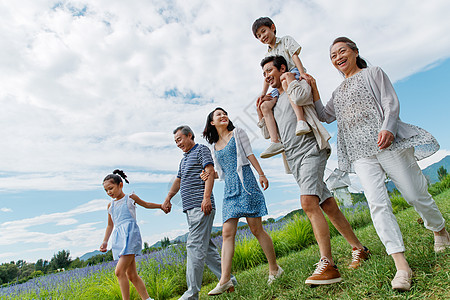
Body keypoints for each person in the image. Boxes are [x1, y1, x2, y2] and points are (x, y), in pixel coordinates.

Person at [308, 36, 450, 291]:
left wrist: (388, 128)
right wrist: (315, 89)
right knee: (377, 204)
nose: (338, 58)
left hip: (387, 143)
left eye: (342, 52)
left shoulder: (373, 73)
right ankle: (401, 265)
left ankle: (439, 229)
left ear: (354, 52)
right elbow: (323, 115)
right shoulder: (337, 92)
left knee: (415, 194)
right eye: (333, 56)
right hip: (361, 153)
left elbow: (390, 102)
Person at [256, 55, 370, 285]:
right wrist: (261, 109)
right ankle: (359, 248)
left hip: (311, 149)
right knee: (326, 204)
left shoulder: (296, 83)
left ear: (282, 68)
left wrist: (290, 79)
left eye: (271, 70)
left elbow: (301, 97)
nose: (268, 76)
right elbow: (268, 135)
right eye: (264, 74)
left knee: (308, 202)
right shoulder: (275, 101)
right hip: (294, 158)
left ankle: (327, 264)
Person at [201, 107, 283, 295]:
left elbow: (249, 154)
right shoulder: (214, 147)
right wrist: (206, 173)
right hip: (230, 190)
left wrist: (261, 174)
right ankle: (225, 279)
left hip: (246, 184)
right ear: (212, 123)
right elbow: (216, 172)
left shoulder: (237, 133)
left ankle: (274, 269)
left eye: (225, 114)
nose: (223, 116)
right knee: (227, 232)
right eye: (218, 115)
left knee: (256, 229)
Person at [161, 126, 237, 300]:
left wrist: (206, 198)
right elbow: (178, 180)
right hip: (190, 209)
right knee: (207, 249)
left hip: (200, 205)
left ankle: (191, 294)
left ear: (189, 135)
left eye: (180, 139)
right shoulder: (184, 159)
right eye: (175, 141)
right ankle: (229, 280)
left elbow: (209, 172)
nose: (178, 143)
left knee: (194, 246)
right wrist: (168, 198)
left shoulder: (201, 149)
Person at [100, 169, 165, 300]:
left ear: (120, 184)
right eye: (106, 190)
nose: (109, 192)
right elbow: (110, 225)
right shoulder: (110, 206)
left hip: (130, 236)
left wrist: (161, 206)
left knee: (119, 272)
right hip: (119, 239)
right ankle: (147, 299)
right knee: (131, 275)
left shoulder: (130, 199)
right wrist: (105, 241)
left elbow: (146, 204)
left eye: (111, 188)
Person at [252, 17, 311, 159]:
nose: (262, 37)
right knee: (264, 105)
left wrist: (302, 73)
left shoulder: (286, 40)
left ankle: (301, 120)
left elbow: (294, 56)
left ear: (272, 27)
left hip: (293, 73)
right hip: (278, 83)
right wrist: (263, 94)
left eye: (263, 31)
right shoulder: (267, 55)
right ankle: (275, 141)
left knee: (285, 79)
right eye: (258, 36)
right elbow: (267, 76)